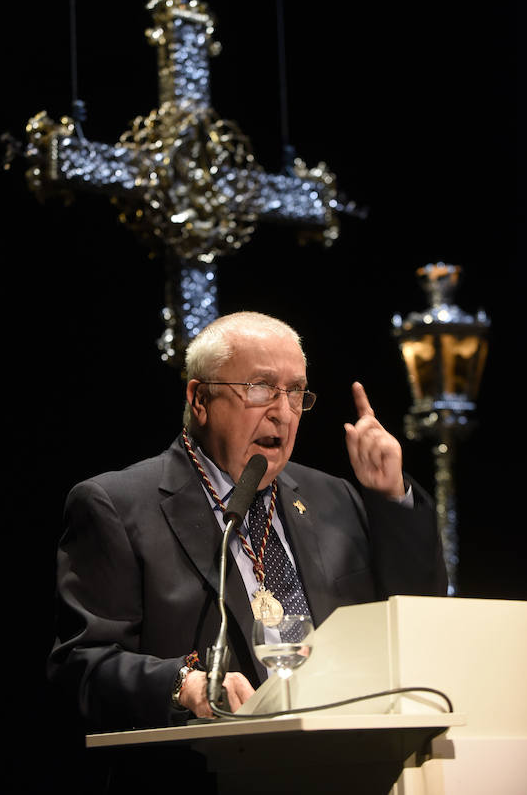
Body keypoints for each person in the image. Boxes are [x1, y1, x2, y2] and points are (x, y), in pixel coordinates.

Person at [48, 311, 446, 734]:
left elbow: (415, 620)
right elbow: (80, 666)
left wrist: (390, 498)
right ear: (200, 399)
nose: (284, 413)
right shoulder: (117, 505)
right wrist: (184, 686)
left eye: (295, 393)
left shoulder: (333, 497)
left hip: (342, 757)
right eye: (260, 388)